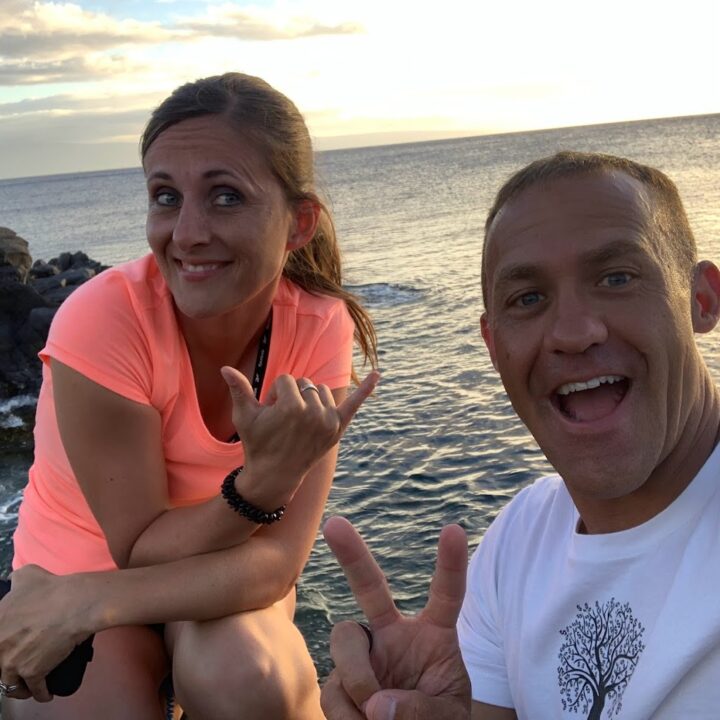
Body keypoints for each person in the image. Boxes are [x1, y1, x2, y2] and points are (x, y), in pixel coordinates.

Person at [0, 72, 379, 719]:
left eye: (226, 196)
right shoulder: (102, 320)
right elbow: (138, 549)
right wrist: (262, 487)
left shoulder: (318, 323)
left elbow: (279, 563)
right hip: (74, 567)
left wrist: (93, 603)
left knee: (247, 678)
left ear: (298, 223)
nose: (188, 232)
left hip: (198, 577)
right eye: (166, 196)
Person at [320, 151, 720, 719]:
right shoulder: (515, 542)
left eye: (617, 277)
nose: (574, 333)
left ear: (701, 300)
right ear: (492, 342)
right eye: (527, 299)